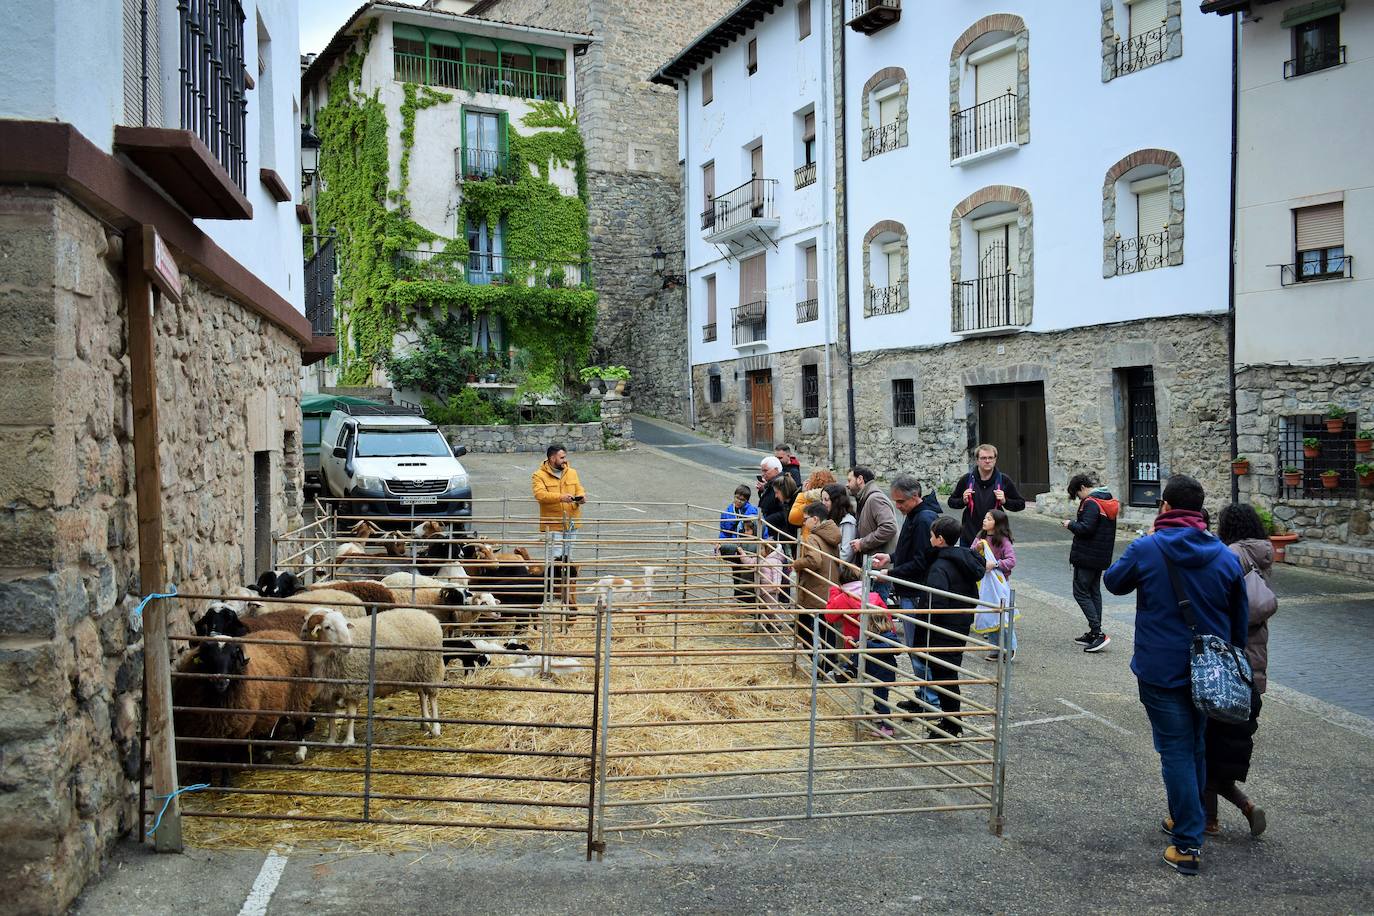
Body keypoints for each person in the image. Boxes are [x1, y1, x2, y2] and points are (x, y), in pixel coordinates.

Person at [1104, 474, 1249, 877]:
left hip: (1161, 666)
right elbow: (1239, 619)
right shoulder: (1224, 556)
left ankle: (1187, 842)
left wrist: (1143, 542)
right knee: (1196, 745)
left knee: (1176, 751)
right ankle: (1190, 817)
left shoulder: (1148, 547)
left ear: (1164, 506)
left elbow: (1113, 582)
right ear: (1200, 509)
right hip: (1210, 671)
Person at [1203, 503, 1276, 839]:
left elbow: (1221, 604)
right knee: (1230, 741)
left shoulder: (1230, 555)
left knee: (1208, 744)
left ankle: (1213, 820)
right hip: (1255, 661)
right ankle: (1241, 806)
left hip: (1231, 659)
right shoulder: (1262, 555)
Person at [870, 476, 942, 712]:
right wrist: (891, 559)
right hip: (910, 588)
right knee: (916, 647)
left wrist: (891, 574)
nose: (897, 507)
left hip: (916, 590)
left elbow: (921, 561)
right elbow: (910, 552)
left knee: (918, 647)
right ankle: (924, 695)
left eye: (901, 502)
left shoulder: (923, 520)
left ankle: (930, 700)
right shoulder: (915, 516)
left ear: (914, 497)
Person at [920, 516, 985, 738]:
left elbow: (936, 601)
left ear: (939, 539)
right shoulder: (964, 559)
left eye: (931, 535)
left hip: (943, 628)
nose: (929, 539)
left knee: (944, 675)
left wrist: (925, 621)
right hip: (960, 623)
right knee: (947, 674)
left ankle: (952, 725)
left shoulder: (940, 566)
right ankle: (950, 721)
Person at [824, 565, 898, 737]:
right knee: (878, 685)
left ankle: (883, 720)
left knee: (868, 679)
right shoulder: (874, 596)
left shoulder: (844, 597)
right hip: (882, 647)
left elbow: (829, 616)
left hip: (859, 645)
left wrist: (834, 592)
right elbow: (887, 620)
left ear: (842, 583)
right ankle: (876, 711)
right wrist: (889, 639)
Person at [1062, 473, 1120, 654]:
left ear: (1081, 488)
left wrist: (1070, 524)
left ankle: (1098, 632)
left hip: (1087, 556)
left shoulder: (1091, 503)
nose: (1078, 498)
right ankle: (1095, 633)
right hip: (1100, 556)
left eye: (1077, 495)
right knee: (1094, 591)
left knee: (1080, 592)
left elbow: (1086, 529)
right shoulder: (1106, 500)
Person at [531, 443, 585, 606]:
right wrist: (560, 497)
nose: (564, 460)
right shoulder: (538, 475)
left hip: (572, 521)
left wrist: (581, 496)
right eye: (562, 457)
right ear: (552, 458)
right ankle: (551, 591)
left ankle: (564, 593)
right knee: (555, 558)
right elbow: (540, 495)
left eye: (565, 457)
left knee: (567, 558)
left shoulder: (572, 472)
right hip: (553, 523)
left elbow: (579, 488)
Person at [948, 443, 1027, 547]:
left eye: (990, 458)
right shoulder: (966, 479)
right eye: (983, 458)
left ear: (995, 459)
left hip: (996, 538)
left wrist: (1005, 501)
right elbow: (951, 502)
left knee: (993, 564)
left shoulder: (1004, 480)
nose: (987, 461)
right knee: (968, 563)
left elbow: (1021, 504)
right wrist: (963, 501)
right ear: (977, 460)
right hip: (969, 536)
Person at [793, 501, 842, 650]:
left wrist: (797, 563)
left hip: (815, 590)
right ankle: (827, 667)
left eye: (805, 519)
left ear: (815, 519)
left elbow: (815, 560)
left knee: (804, 629)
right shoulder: (831, 536)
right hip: (829, 588)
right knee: (826, 632)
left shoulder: (814, 538)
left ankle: (820, 666)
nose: (803, 522)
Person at [971, 508, 1017, 661]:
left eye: (989, 519)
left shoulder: (1003, 540)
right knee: (989, 613)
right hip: (984, 583)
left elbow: (1011, 561)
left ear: (998, 523)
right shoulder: (980, 538)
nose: (985, 521)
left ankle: (1009, 647)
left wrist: (996, 564)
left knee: (1002, 615)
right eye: (985, 518)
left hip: (999, 583)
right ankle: (994, 647)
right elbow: (971, 554)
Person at [846, 465, 898, 597]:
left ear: (860, 479)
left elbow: (889, 527)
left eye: (849, 480)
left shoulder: (874, 499)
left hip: (878, 570)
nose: (847, 485)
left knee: (875, 613)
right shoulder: (867, 498)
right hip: (873, 567)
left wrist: (863, 543)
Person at [717, 485, 761, 604]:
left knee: (747, 573)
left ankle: (747, 598)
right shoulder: (728, 511)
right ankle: (738, 595)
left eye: (742, 500)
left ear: (747, 500)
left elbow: (758, 529)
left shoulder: (751, 512)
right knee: (736, 570)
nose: (738, 501)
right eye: (737, 498)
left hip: (748, 547)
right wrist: (721, 543)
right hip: (735, 545)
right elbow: (724, 531)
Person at [755, 456, 789, 541]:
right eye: (762, 470)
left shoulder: (782, 484)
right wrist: (764, 489)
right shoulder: (772, 483)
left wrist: (765, 521)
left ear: (776, 470)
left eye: (765, 470)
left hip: (775, 530)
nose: (763, 474)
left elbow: (783, 510)